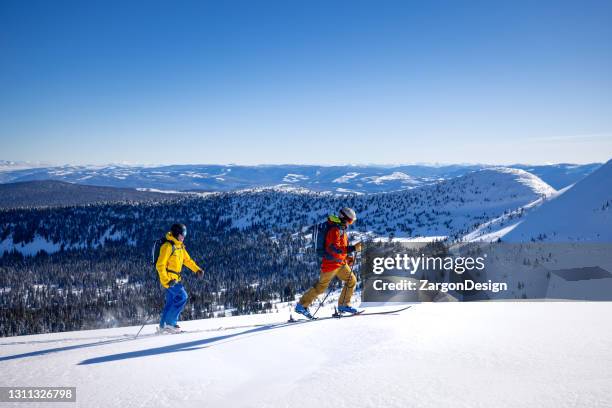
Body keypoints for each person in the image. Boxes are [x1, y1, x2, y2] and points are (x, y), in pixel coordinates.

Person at [295, 207, 363, 318]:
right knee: (321, 287)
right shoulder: (334, 229)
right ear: (344, 218)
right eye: (350, 221)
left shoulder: (341, 228)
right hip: (330, 264)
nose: (350, 223)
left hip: (340, 263)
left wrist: (346, 258)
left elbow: (340, 248)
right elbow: (334, 248)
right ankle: (301, 306)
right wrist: (353, 249)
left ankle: (344, 305)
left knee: (351, 281)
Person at [156, 223, 204, 333]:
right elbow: (160, 265)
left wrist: (197, 269)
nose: (184, 236)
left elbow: (187, 260)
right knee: (182, 296)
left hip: (175, 279)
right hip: (169, 280)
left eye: (185, 234)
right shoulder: (168, 246)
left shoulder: (180, 246)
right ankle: (170, 324)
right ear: (177, 234)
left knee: (170, 302)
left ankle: (163, 326)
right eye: (182, 234)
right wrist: (166, 281)